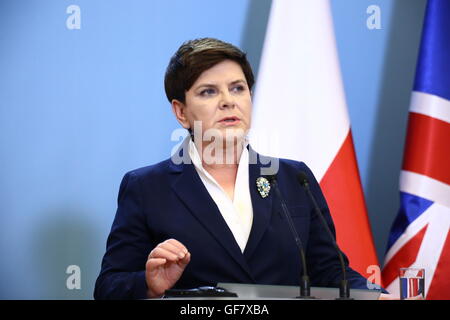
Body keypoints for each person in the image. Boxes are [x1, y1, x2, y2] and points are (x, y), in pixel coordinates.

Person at [94, 37, 377, 300]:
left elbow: (329, 272)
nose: (228, 100)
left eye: (238, 88)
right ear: (181, 112)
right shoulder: (147, 188)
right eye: (208, 92)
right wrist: (148, 284)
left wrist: (376, 296)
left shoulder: (294, 179)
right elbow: (108, 287)